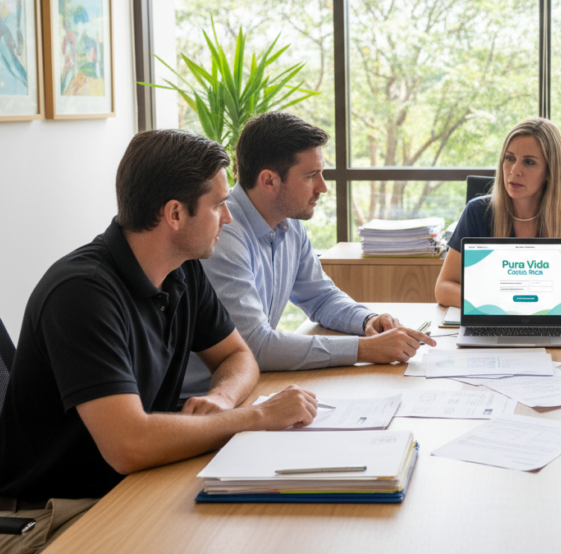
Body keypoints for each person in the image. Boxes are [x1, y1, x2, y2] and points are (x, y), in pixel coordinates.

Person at [0, 130, 319, 554]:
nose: (228, 218)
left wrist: (223, 399)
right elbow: (129, 445)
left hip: (128, 486)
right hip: (50, 517)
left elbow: (238, 356)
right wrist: (256, 416)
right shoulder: (82, 294)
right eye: (219, 205)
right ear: (174, 214)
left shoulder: (181, 271)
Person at [182, 113, 435, 399]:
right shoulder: (222, 232)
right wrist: (365, 349)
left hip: (250, 387)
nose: (323, 187)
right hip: (203, 400)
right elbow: (254, 345)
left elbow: (320, 296)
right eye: (311, 176)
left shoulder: (289, 223)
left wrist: (367, 321)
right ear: (269, 181)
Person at [435, 117, 561, 307]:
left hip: (552, 321)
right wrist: (505, 304)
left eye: (529, 162)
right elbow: (444, 288)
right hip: (494, 318)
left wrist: (533, 305)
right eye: (509, 158)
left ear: (550, 171)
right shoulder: (477, 212)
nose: (514, 170)